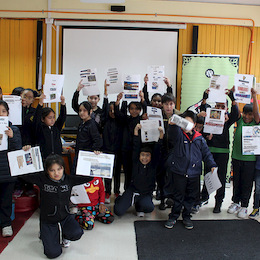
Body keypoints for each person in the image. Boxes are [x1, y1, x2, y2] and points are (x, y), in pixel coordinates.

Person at [19, 154, 93, 259]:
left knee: (77, 233)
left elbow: (90, 177)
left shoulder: (69, 179)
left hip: (65, 216)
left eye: (59, 169)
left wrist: (95, 157)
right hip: (48, 219)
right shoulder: (41, 179)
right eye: (52, 170)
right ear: (47, 171)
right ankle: (45, 234)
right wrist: (24, 153)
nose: (56, 173)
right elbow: (21, 174)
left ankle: (65, 237)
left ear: (63, 168)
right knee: (53, 254)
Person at [164, 110, 216, 230]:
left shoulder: (200, 139)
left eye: (189, 123)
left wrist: (212, 164)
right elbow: (172, 134)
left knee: (190, 197)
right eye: (184, 122)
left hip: (194, 174)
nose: (186, 125)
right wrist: (172, 126)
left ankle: (186, 216)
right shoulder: (179, 135)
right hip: (179, 172)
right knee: (178, 196)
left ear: (194, 125)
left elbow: (206, 154)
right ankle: (173, 216)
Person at [200, 89, 239, 213]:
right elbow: (202, 107)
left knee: (221, 178)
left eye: (223, 106)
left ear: (226, 109)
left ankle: (218, 202)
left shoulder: (227, 120)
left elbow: (236, 113)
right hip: (210, 151)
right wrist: (205, 95)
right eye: (218, 106)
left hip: (223, 152)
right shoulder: (210, 116)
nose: (220, 108)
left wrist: (232, 97)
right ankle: (204, 197)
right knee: (207, 175)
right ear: (214, 107)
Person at [114, 124, 163, 217]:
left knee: (149, 208)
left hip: (145, 194)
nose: (145, 158)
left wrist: (161, 134)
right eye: (143, 155)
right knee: (118, 211)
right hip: (132, 191)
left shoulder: (153, 164)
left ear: (151, 157)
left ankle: (139, 206)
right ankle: (122, 199)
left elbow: (157, 149)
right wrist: (136, 130)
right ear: (139, 156)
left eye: (147, 155)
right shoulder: (136, 162)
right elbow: (136, 146)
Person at [228, 88, 259, 218]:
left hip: (250, 160)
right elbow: (235, 111)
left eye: (250, 114)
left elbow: (257, 113)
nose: (247, 116)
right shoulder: (239, 121)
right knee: (237, 181)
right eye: (245, 113)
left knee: (247, 183)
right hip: (236, 157)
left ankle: (244, 206)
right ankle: (235, 202)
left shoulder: (256, 124)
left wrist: (254, 95)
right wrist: (232, 94)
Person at [114, 91, 147, 190]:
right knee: (127, 171)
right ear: (128, 110)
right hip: (126, 150)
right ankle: (127, 190)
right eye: (132, 109)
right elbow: (117, 114)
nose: (134, 111)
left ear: (140, 110)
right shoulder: (126, 119)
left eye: (137, 109)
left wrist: (142, 99)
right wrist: (118, 101)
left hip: (137, 150)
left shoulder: (142, 119)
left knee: (136, 171)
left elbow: (147, 110)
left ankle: (136, 189)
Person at [0, 100, 22, 237]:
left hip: (7, 171)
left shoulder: (13, 130)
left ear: (8, 113)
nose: (0, 114)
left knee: (6, 200)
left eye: (3, 111)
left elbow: (18, 149)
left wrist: (12, 138)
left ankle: (6, 224)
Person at [102, 81, 125, 202]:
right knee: (107, 173)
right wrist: (105, 93)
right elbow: (105, 107)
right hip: (107, 150)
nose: (112, 112)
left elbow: (120, 110)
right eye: (110, 111)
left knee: (116, 172)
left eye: (114, 110)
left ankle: (116, 191)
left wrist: (121, 98)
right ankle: (107, 192)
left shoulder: (120, 121)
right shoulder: (105, 120)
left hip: (118, 151)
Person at [157, 93, 181, 210]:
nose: (168, 107)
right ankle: (162, 198)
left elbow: (189, 124)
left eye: (171, 104)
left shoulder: (179, 116)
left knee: (172, 174)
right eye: (166, 104)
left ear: (174, 105)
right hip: (161, 149)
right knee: (161, 175)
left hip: (174, 150)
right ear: (162, 105)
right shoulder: (157, 115)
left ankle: (171, 198)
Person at [71, 101, 103, 175]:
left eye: (84, 110)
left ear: (90, 111)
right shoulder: (82, 123)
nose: (82, 113)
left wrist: (93, 152)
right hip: (79, 154)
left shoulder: (92, 124)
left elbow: (97, 140)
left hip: (86, 156)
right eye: (80, 110)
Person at [33, 94, 66, 160]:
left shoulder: (56, 128)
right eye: (49, 118)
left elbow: (62, 117)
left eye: (53, 117)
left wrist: (63, 104)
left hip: (57, 157)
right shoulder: (40, 128)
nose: (52, 120)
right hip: (45, 158)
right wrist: (40, 104)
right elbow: (36, 119)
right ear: (43, 119)